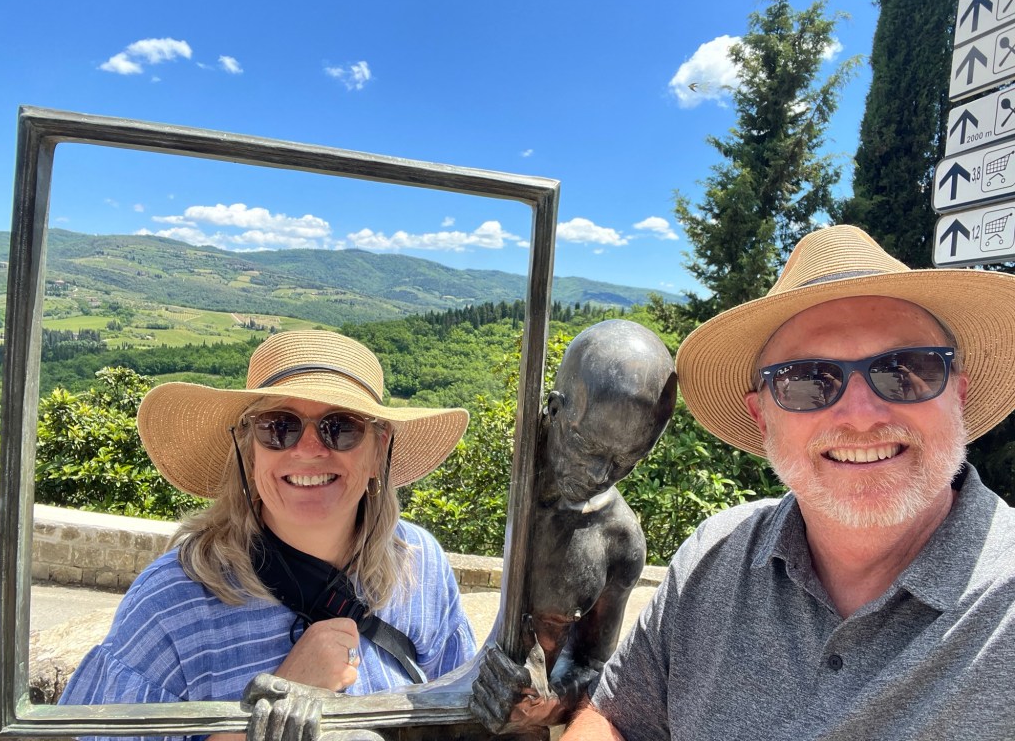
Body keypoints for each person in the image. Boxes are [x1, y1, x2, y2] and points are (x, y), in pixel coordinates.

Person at [564, 225, 1015, 740]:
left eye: (905, 369)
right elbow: (614, 719)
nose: (861, 416)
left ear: (959, 394)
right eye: (807, 380)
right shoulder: (713, 560)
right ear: (762, 417)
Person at [60, 330, 477, 738]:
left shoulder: (419, 564)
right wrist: (274, 706)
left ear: (378, 449)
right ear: (249, 448)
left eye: (340, 427)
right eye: (279, 427)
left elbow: (455, 716)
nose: (309, 449)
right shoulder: (172, 606)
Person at [472, 319, 676, 733]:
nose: (601, 475)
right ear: (554, 409)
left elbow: (594, 668)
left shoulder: (619, 541)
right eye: (587, 447)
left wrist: (544, 704)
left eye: (625, 462)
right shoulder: (517, 459)